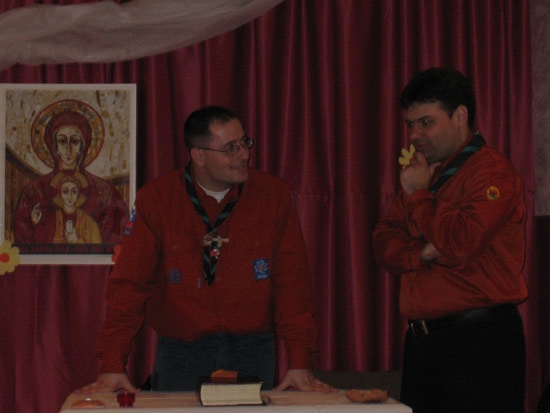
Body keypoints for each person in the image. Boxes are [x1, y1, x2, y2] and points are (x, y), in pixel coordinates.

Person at [76, 105, 333, 394]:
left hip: (253, 350)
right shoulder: (158, 199)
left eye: (245, 143)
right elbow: (130, 284)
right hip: (181, 353)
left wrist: (300, 359)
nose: (244, 155)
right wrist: (112, 362)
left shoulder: (273, 195)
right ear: (198, 155)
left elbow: (292, 282)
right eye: (230, 148)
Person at [372, 68, 529, 412]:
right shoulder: (426, 174)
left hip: (479, 342)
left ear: (460, 116)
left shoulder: (492, 173)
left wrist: (418, 196)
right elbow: (382, 243)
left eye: (426, 123)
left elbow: (460, 244)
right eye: (410, 124)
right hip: (423, 344)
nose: (414, 135)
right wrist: (421, 253)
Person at [14, 109, 128, 245]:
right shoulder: (35, 190)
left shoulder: (105, 191)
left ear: (83, 146)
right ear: (54, 146)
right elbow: (23, 238)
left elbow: (118, 236)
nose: (68, 149)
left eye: (74, 141)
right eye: (62, 141)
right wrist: (36, 225)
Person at [33, 173, 102, 244]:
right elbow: (42, 244)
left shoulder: (88, 222)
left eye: (74, 191)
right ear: (60, 195)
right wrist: (36, 223)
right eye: (65, 191)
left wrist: (77, 241)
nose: (70, 196)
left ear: (78, 194)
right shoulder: (52, 219)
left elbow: (96, 247)